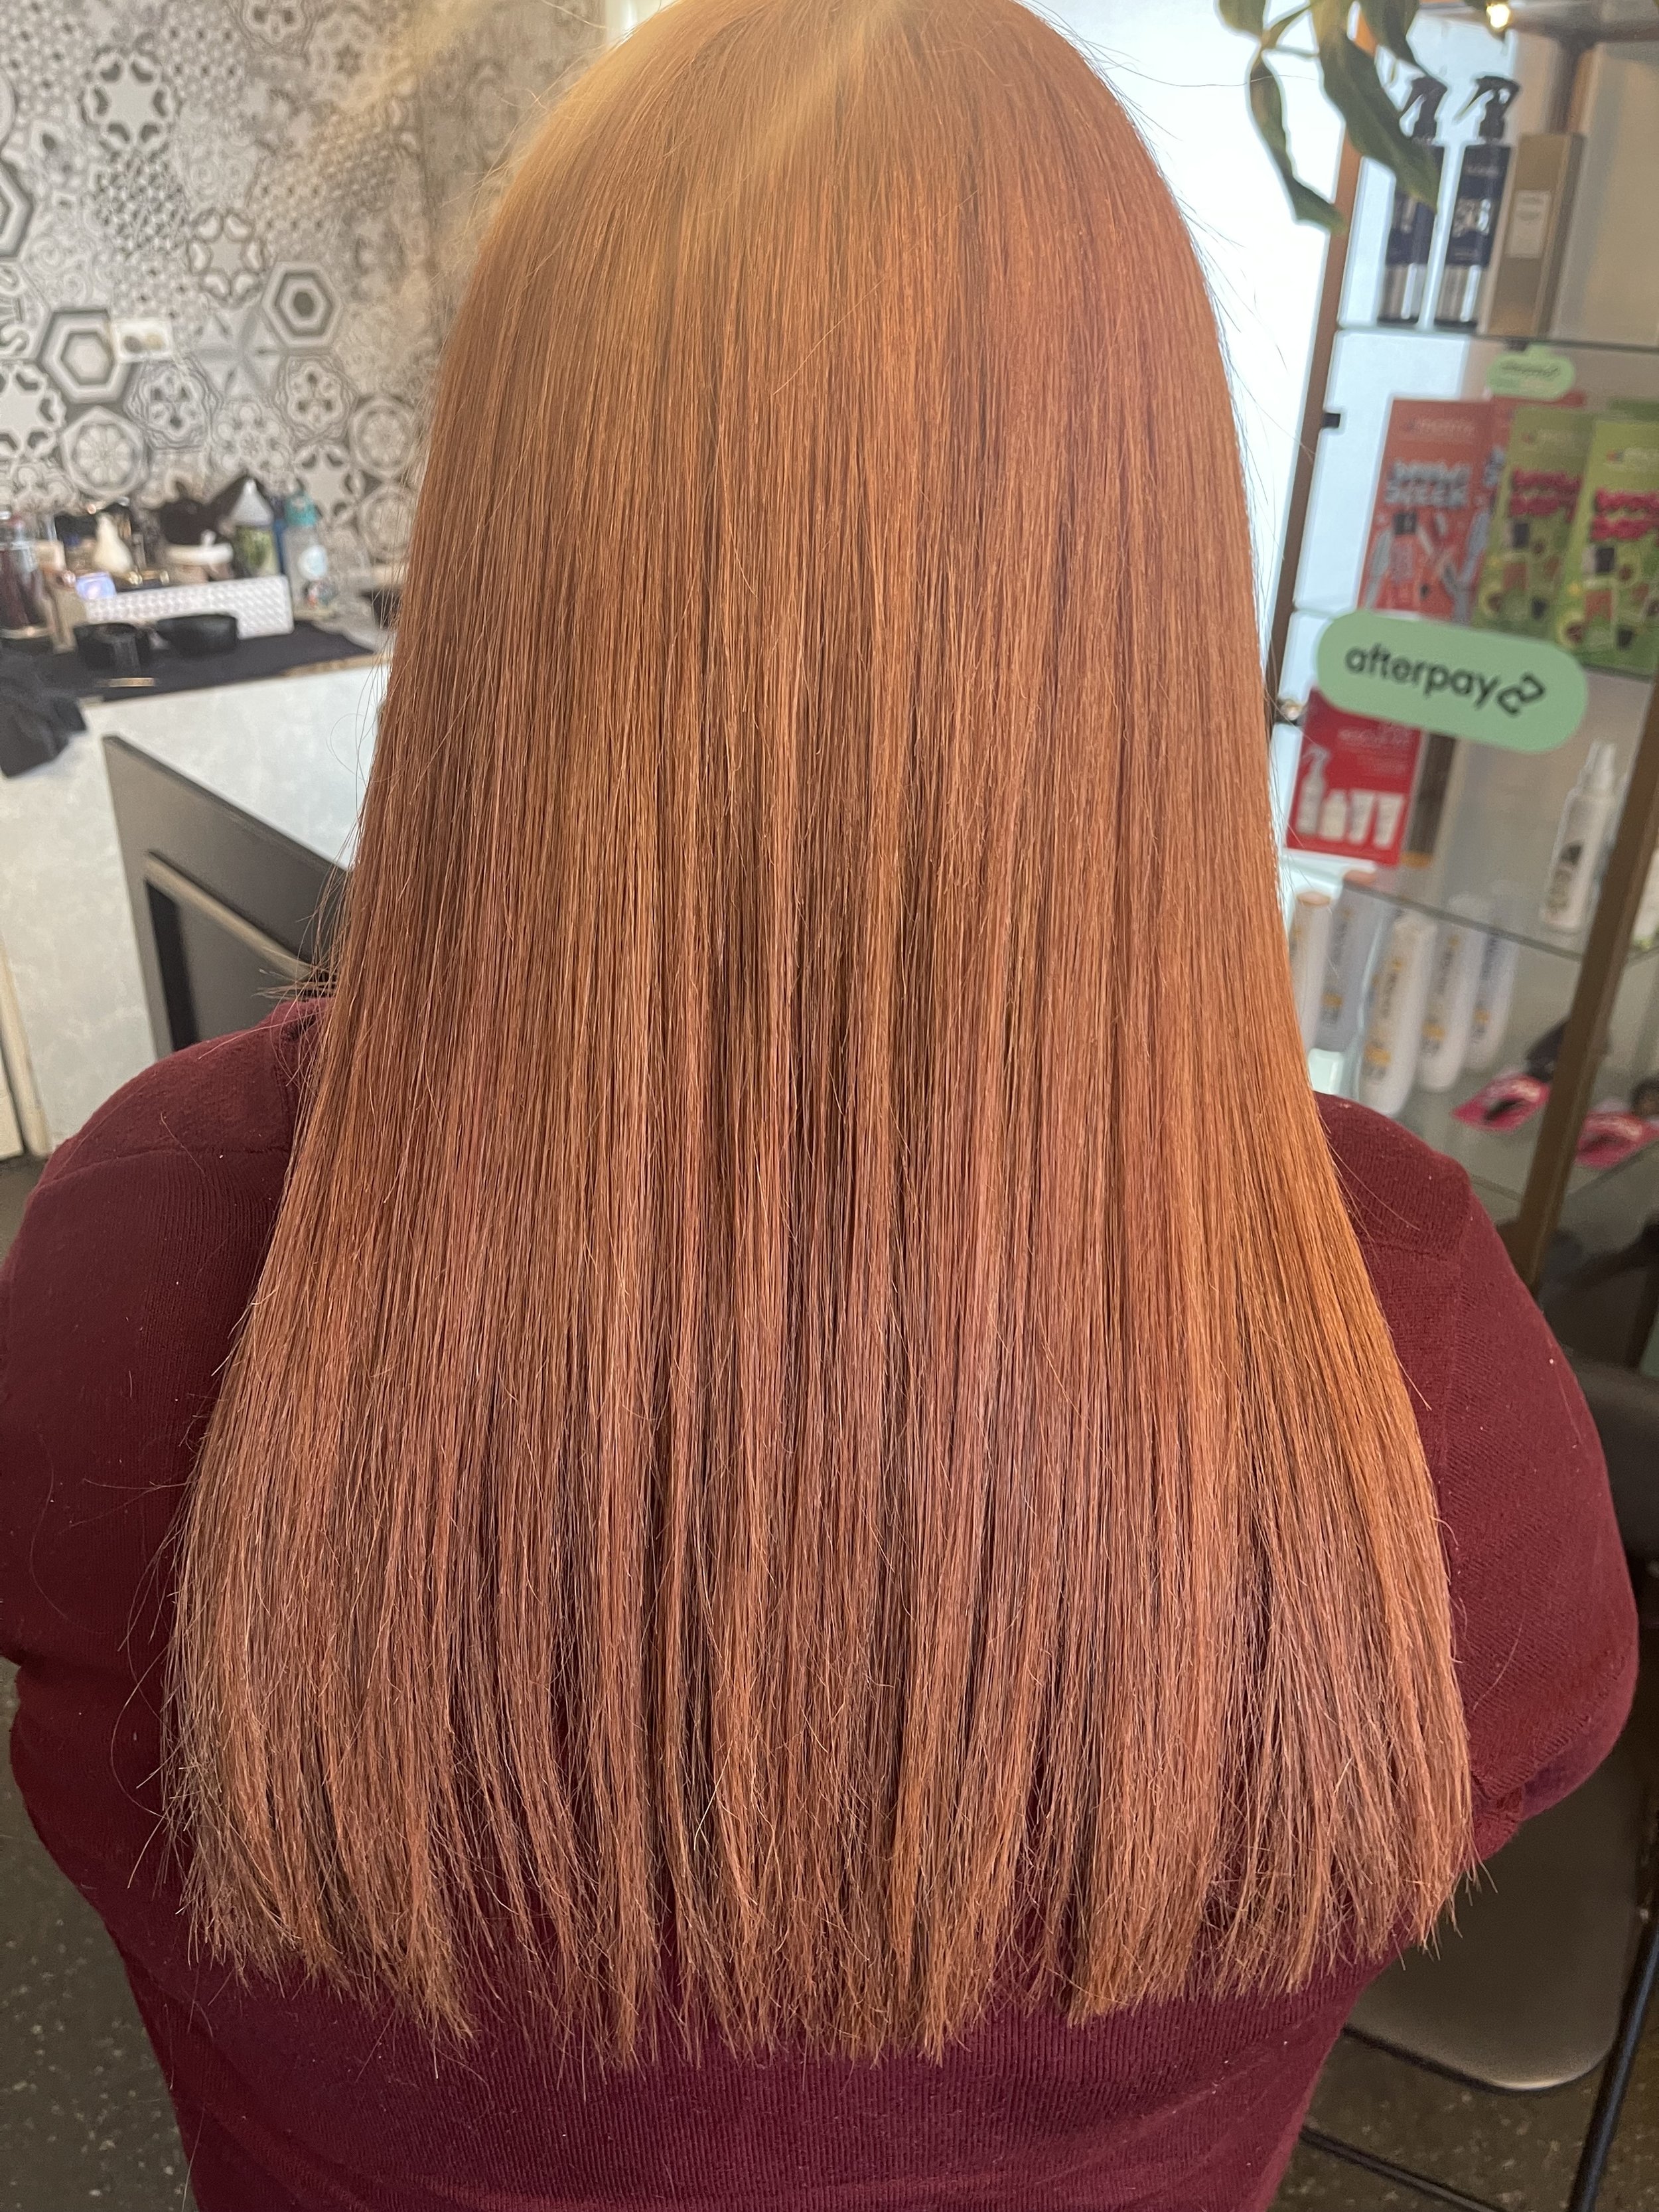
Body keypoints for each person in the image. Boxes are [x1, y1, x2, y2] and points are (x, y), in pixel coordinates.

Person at [0, 3, 1636, 2207]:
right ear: (1147, 574)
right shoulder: (1406, 1356)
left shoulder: (141, 1265)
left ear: (506, 549)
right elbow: (1521, 1737)